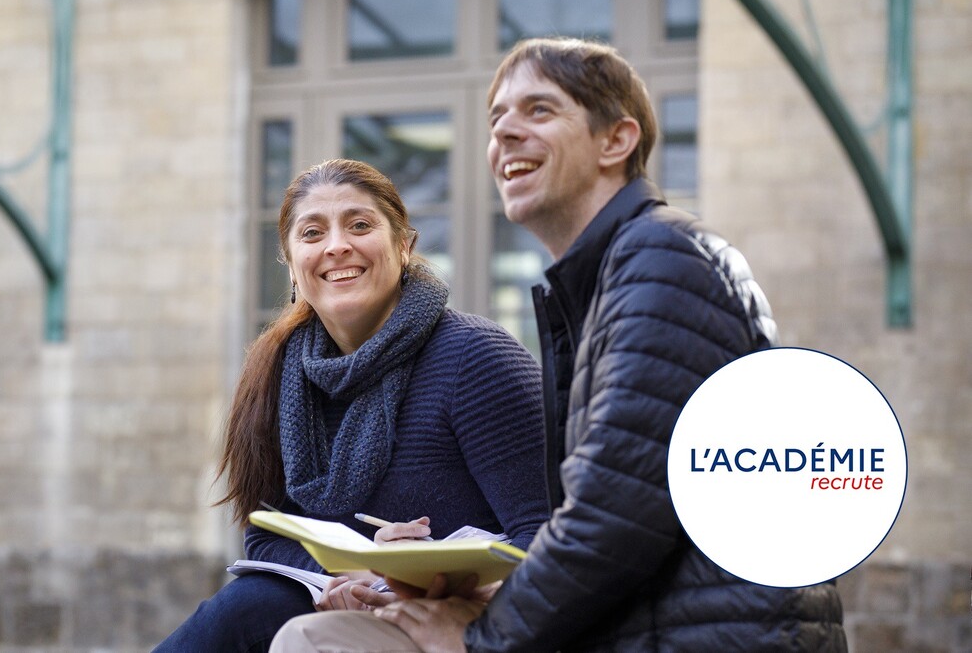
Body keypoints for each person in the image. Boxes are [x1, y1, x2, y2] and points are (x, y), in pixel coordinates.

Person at [270, 38, 848, 651]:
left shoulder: (660, 260)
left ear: (616, 141)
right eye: (497, 121)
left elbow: (614, 520)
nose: (506, 135)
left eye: (539, 111)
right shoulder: (613, 276)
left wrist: (480, 636)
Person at [154, 158, 551, 651]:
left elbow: (547, 534)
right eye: (312, 233)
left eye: (360, 225)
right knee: (245, 608)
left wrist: (415, 570)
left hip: (466, 621)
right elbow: (267, 535)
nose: (336, 245)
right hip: (347, 602)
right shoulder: (280, 375)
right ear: (292, 263)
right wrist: (353, 572)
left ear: (404, 247)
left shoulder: (477, 358)